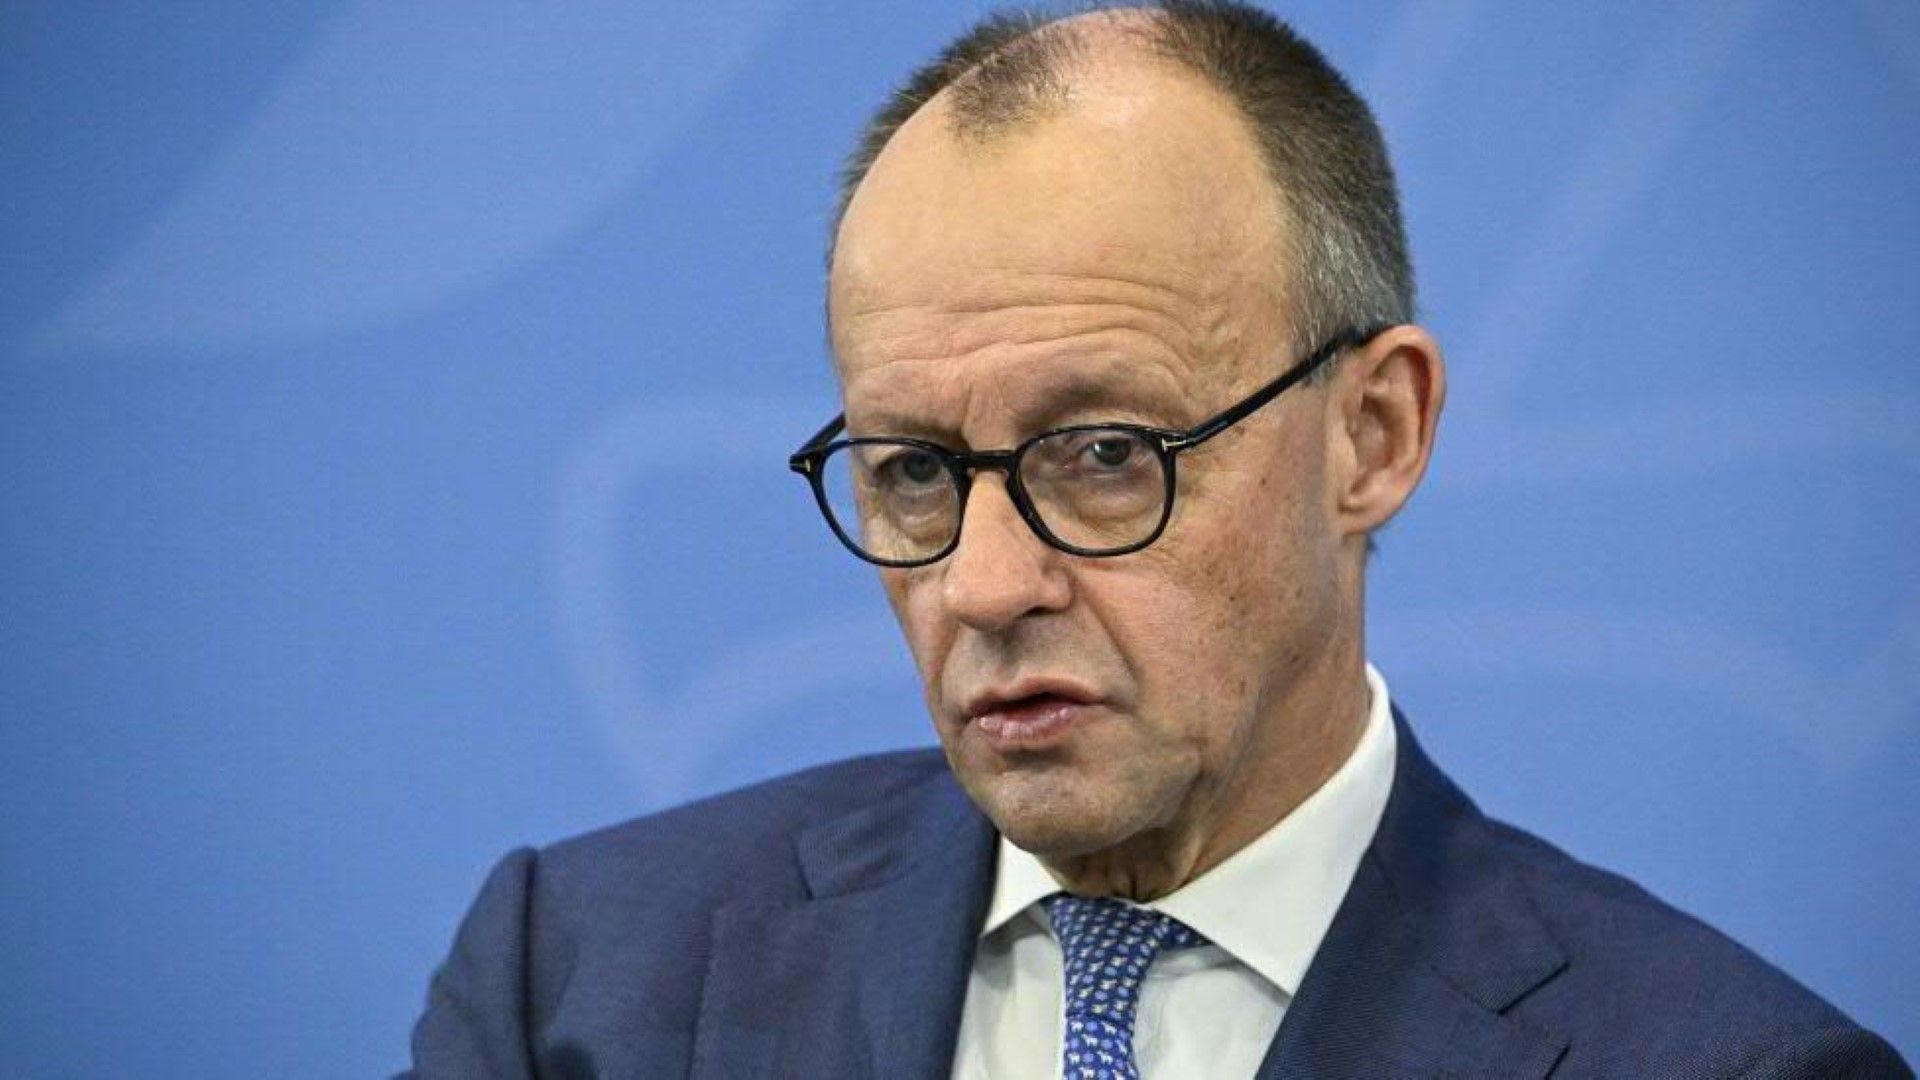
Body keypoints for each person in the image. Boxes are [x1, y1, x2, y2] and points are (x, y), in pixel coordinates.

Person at [406, 3, 1911, 1076]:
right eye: (914, 471)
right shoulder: (578, 982)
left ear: (1374, 435)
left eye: (1107, 455)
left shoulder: (1720, 1063)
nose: (984, 585)